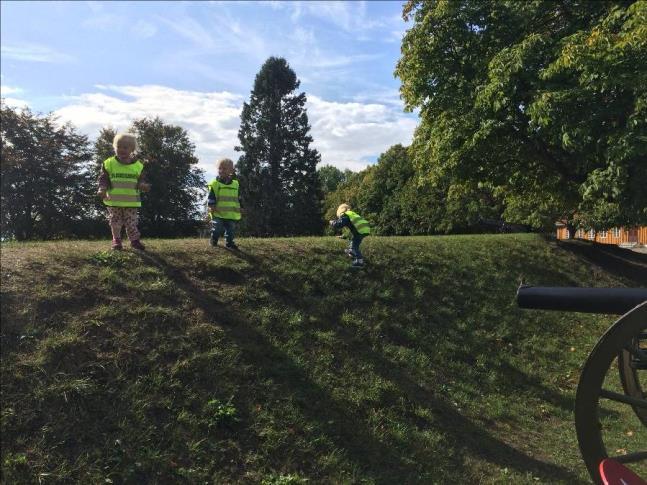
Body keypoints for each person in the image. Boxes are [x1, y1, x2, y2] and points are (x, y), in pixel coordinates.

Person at [97, 133, 150, 250]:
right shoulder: (109, 163)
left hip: (131, 202)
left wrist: (143, 185)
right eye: (118, 147)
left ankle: (134, 241)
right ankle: (116, 241)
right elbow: (103, 178)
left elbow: (142, 180)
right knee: (115, 222)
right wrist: (102, 189)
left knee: (131, 222)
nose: (121, 149)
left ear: (132, 149)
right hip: (113, 201)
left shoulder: (138, 166)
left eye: (125, 147)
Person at [207, 158, 242, 249]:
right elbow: (211, 196)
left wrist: (241, 207)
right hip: (218, 212)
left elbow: (238, 197)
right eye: (220, 168)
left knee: (231, 230)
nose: (221, 171)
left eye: (224, 168)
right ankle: (213, 240)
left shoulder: (235, 184)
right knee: (217, 228)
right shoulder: (215, 183)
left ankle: (229, 243)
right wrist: (211, 206)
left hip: (231, 213)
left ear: (231, 170)